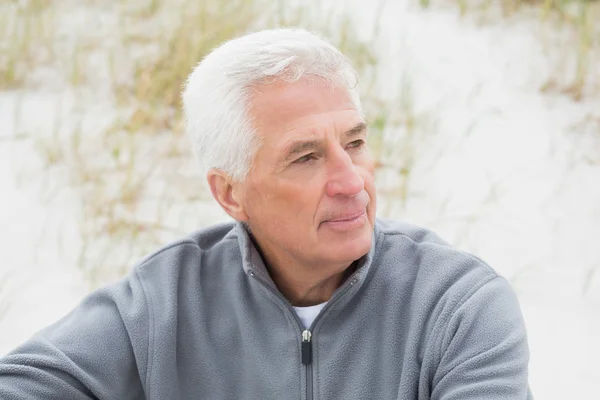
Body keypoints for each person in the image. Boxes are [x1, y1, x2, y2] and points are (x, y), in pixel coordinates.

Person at [0, 28, 533, 399]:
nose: (353, 181)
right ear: (231, 195)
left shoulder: (460, 307)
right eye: (306, 157)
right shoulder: (163, 302)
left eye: (355, 142)